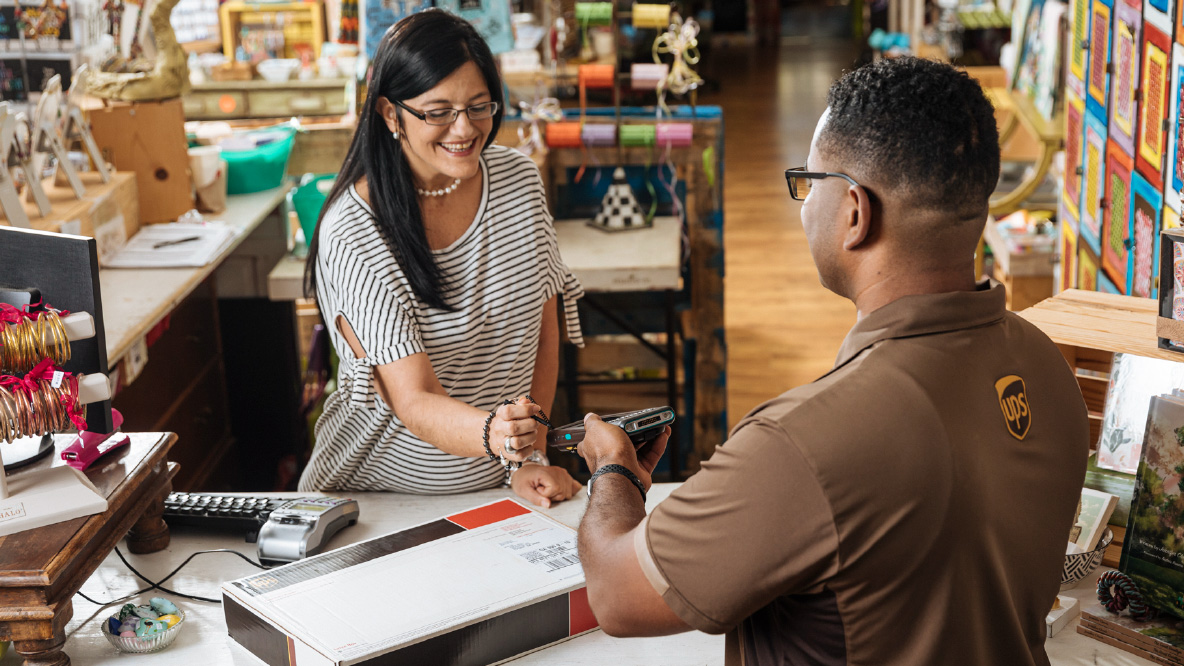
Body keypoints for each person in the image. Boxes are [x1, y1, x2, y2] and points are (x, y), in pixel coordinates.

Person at [573, 57, 1090, 665]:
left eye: (808, 182)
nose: (802, 204)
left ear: (853, 211)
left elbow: (615, 596)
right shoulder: (1048, 371)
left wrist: (614, 474)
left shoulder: (804, 444)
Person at [298, 10, 585, 508]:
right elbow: (413, 399)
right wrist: (499, 436)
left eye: (479, 106)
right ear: (391, 114)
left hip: (496, 485)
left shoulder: (518, 181)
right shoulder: (354, 231)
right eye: (437, 112)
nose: (464, 128)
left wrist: (527, 456)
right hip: (374, 498)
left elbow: (543, 328)